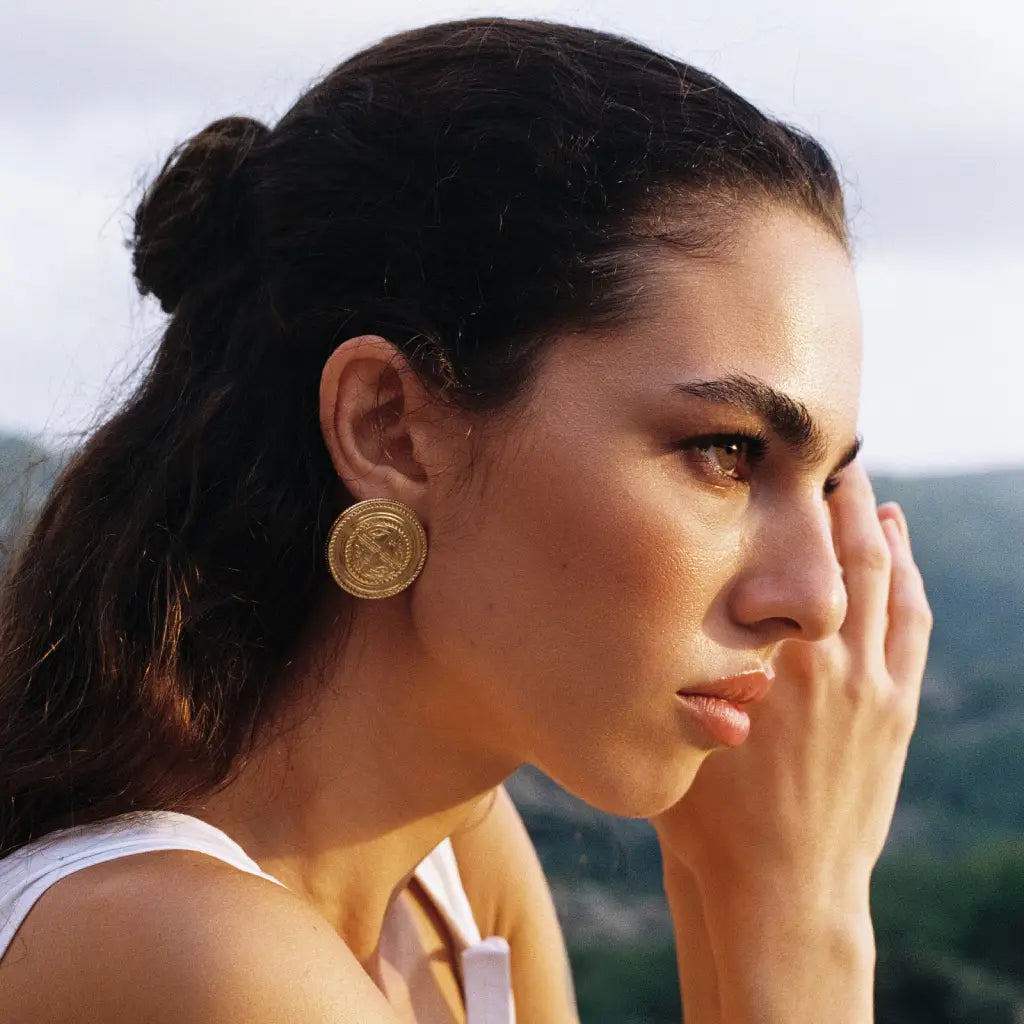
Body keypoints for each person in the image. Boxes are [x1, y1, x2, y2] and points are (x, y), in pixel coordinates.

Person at [0, 15, 932, 1023]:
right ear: (390, 428)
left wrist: (736, 885)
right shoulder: (181, 955)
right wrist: (796, 916)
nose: (819, 598)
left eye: (829, 482)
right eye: (727, 451)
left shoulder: (452, 873)